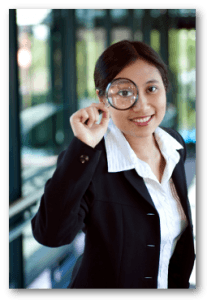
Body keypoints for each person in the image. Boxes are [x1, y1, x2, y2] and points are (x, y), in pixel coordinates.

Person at [31, 40, 195, 289]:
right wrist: (82, 147)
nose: (141, 106)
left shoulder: (174, 144)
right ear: (103, 98)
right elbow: (51, 234)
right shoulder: (90, 160)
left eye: (152, 89)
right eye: (125, 92)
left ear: (165, 88)